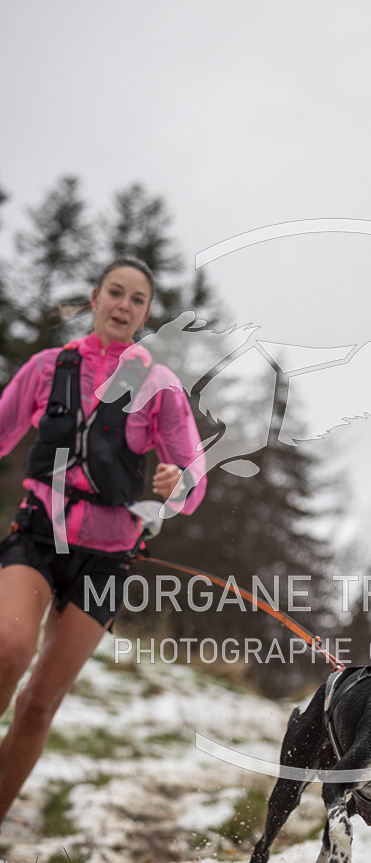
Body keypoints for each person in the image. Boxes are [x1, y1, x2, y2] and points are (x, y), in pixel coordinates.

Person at [0, 257, 206, 824]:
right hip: (38, 535)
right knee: (8, 650)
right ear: (95, 298)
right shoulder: (47, 368)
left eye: (137, 299)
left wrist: (177, 482)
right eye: (115, 292)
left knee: (39, 704)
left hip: (107, 559)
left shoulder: (158, 386)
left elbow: (192, 474)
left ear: (146, 312)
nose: (124, 305)